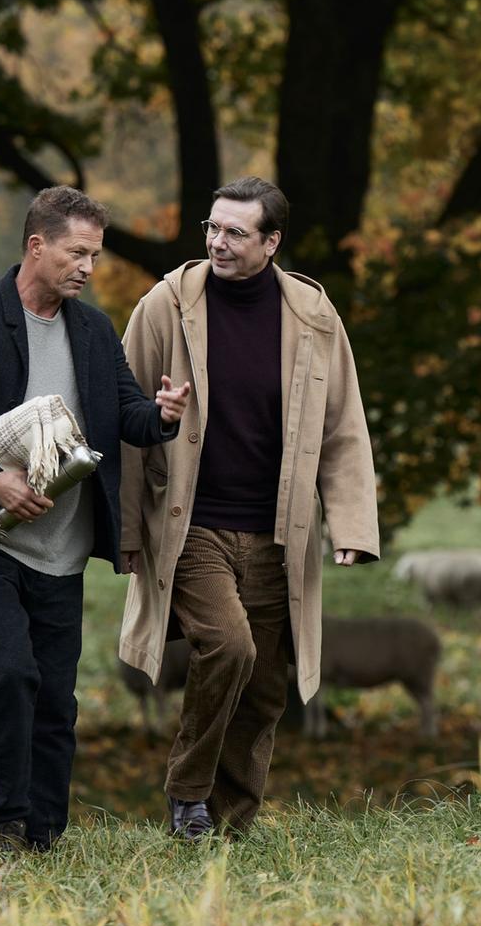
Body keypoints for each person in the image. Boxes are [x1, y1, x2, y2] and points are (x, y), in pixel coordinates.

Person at [0, 186, 191, 854]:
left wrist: (163, 415)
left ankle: (45, 832)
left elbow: (125, 417)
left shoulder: (94, 329)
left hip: (64, 543)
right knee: (10, 673)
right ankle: (4, 823)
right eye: (76, 253)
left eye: (95, 255)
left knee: (57, 696)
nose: (88, 267)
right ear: (37, 246)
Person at [116, 175, 379, 841]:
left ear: (272, 241)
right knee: (227, 647)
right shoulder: (164, 306)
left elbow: (343, 425)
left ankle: (230, 826)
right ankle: (188, 793)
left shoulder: (314, 316)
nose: (218, 243)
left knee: (265, 684)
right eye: (211, 228)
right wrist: (122, 530)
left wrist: (350, 524)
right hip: (189, 523)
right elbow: (120, 412)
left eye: (236, 232)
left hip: (277, 529)